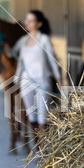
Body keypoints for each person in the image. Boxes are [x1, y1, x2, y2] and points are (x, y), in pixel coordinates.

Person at [12, 10, 62, 145]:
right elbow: (15, 55)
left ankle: (44, 148)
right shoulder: (23, 41)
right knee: (31, 115)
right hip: (26, 83)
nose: (27, 23)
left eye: (31, 20)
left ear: (39, 24)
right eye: (26, 20)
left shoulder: (43, 39)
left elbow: (52, 61)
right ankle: (38, 147)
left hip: (42, 81)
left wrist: (59, 80)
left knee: (43, 116)